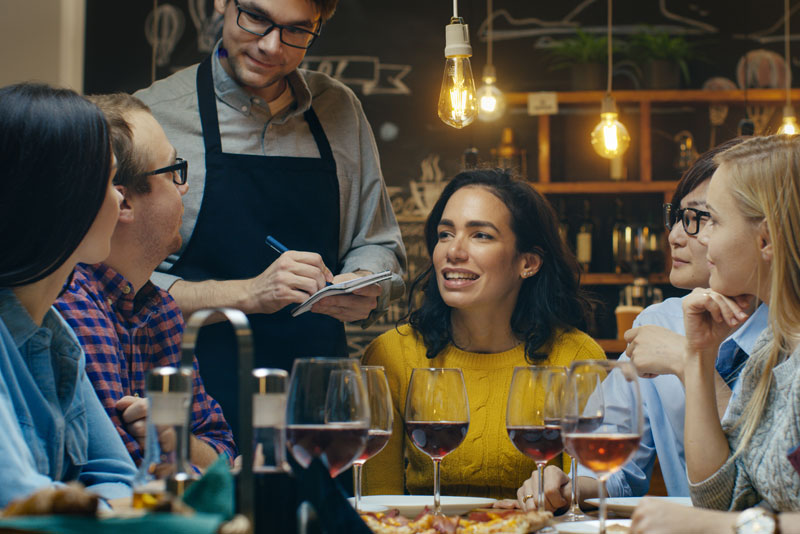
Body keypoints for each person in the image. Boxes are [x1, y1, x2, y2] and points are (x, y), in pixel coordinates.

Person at [134, 0, 406, 436]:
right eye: (257, 18)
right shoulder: (152, 118)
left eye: (298, 31)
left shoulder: (339, 109)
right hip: (189, 409)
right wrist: (250, 293)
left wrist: (363, 280)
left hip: (318, 410)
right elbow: (125, 289)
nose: (272, 46)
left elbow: (379, 244)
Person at [517, 138, 769, 511]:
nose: (674, 237)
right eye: (678, 218)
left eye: (701, 219)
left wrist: (689, 363)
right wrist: (571, 486)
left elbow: (764, 480)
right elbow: (614, 462)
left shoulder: (786, 334)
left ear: (766, 234)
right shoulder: (660, 322)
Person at [361, 169, 605, 499]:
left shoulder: (577, 358)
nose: (453, 251)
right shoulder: (392, 355)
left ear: (528, 262)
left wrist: (567, 489)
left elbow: (586, 501)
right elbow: (377, 505)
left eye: (481, 236)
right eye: (445, 234)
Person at [54, 93, 236, 471]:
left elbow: (221, 448)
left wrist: (177, 441)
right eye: (172, 172)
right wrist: (183, 453)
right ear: (123, 203)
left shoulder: (161, 309)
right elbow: (127, 470)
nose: (183, 187)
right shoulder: (70, 303)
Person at [629, 134, 800, 533]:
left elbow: (721, 520)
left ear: (766, 239)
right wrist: (699, 357)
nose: (699, 239)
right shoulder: (771, 353)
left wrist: (720, 528)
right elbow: (721, 497)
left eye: (714, 222)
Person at [0, 82, 136, 507]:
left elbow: (118, 476)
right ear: (63, 194)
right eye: (112, 180)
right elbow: (18, 497)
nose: (120, 198)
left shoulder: (58, 338)